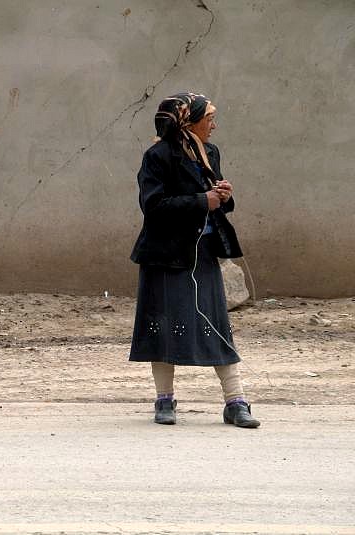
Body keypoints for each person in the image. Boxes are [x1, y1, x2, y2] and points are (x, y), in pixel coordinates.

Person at [129, 92, 260, 428]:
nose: (214, 124)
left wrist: (223, 197)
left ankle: (235, 401)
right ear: (188, 121)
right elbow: (154, 206)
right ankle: (164, 400)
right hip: (165, 256)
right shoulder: (157, 157)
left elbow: (215, 202)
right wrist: (204, 200)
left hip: (202, 255)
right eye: (209, 117)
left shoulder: (209, 152)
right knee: (163, 327)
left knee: (217, 324)